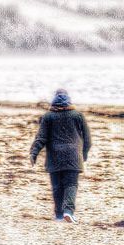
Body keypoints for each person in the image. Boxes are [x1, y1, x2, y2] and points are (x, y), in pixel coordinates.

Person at [30, 89, 91, 223]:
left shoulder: (48, 116)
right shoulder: (78, 115)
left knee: (57, 186)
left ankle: (58, 214)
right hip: (74, 156)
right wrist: (84, 154)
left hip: (54, 157)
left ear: (54, 101)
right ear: (69, 100)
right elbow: (87, 138)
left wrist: (34, 153)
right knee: (71, 184)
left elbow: (41, 138)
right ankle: (68, 212)